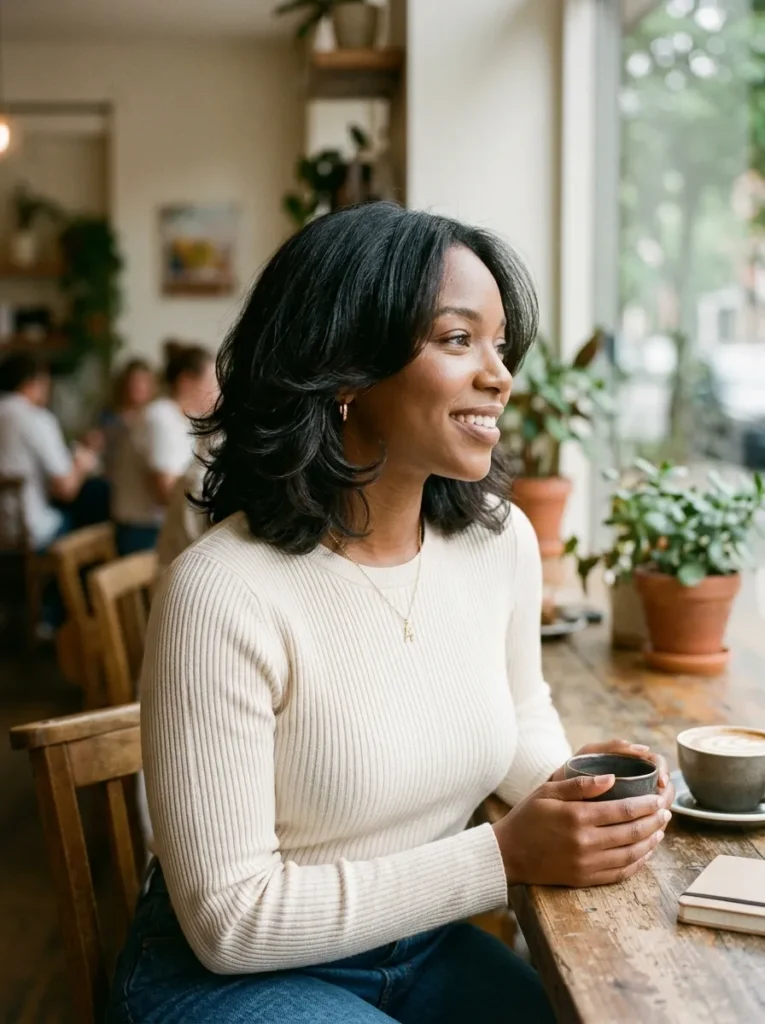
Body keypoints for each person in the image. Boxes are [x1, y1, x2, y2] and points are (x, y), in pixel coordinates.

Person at [109, 204, 674, 1024]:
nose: (499, 375)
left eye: (500, 345)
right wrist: (501, 857)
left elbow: (517, 709)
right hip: (228, 980)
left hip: (421, 946)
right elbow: (229, 921)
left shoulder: (498, 541)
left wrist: (570, 794)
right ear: (343, 371)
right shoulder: (221, 592)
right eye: (457, 340)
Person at [110, 341, 216, 556]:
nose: (219, 390)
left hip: (159, 529)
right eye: (212, 380)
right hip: (144, 534)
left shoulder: (185, 419)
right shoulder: (160, 418)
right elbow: (166, 492)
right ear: (186, 382)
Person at [0, 354, 99, 551]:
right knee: (96, 497)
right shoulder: (36, 418)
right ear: (31, 383)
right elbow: (66, 488)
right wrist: (83, 464)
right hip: (27, 534)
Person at [100, 358, 157, 479]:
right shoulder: (108, 417)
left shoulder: (155, 417)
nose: (137, 387)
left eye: (143, 382)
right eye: (134, 381)